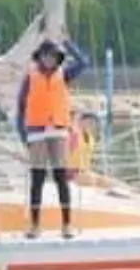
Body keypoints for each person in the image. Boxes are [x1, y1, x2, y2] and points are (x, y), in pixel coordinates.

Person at [15, 34, 90, 238]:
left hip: (58, 130)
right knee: (37, 179)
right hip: (36, 132)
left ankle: (66, 225)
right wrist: (23, 135)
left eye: (54, 56)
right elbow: (21, 108)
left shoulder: (64, 74)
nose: (50, 59)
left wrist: (67, 42)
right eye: (46, 55)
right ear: (40, 57)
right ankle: (35, 225)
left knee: (60, 178)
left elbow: (84, 62)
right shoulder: (30, 78)